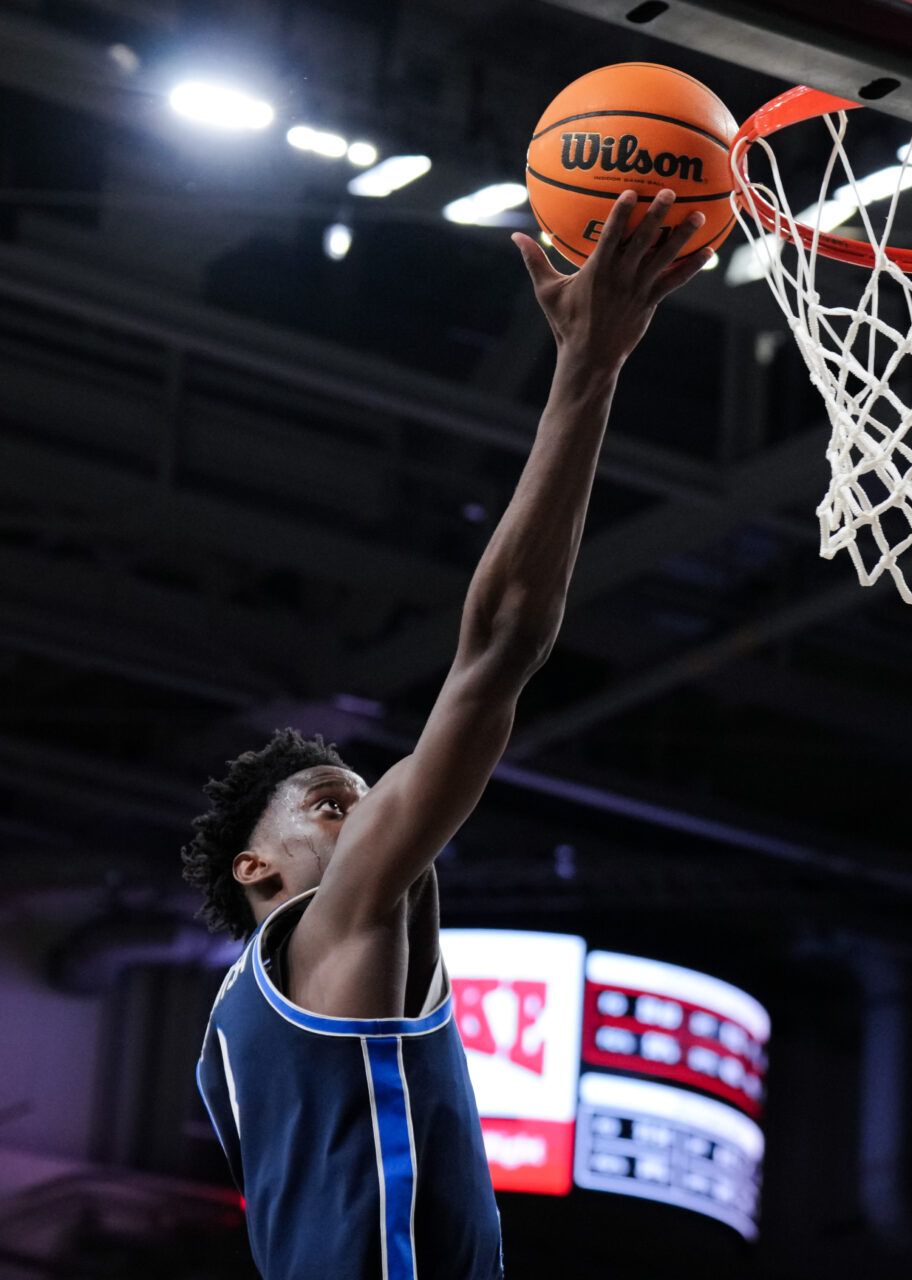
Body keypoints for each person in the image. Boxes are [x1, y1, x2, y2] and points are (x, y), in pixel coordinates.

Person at [182, 190, 712, 1280]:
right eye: (335, 803)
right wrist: (589, 367)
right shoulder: (332, 926)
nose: (372, 806)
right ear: (259, 868)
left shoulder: (231, 1043)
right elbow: (498, 647)